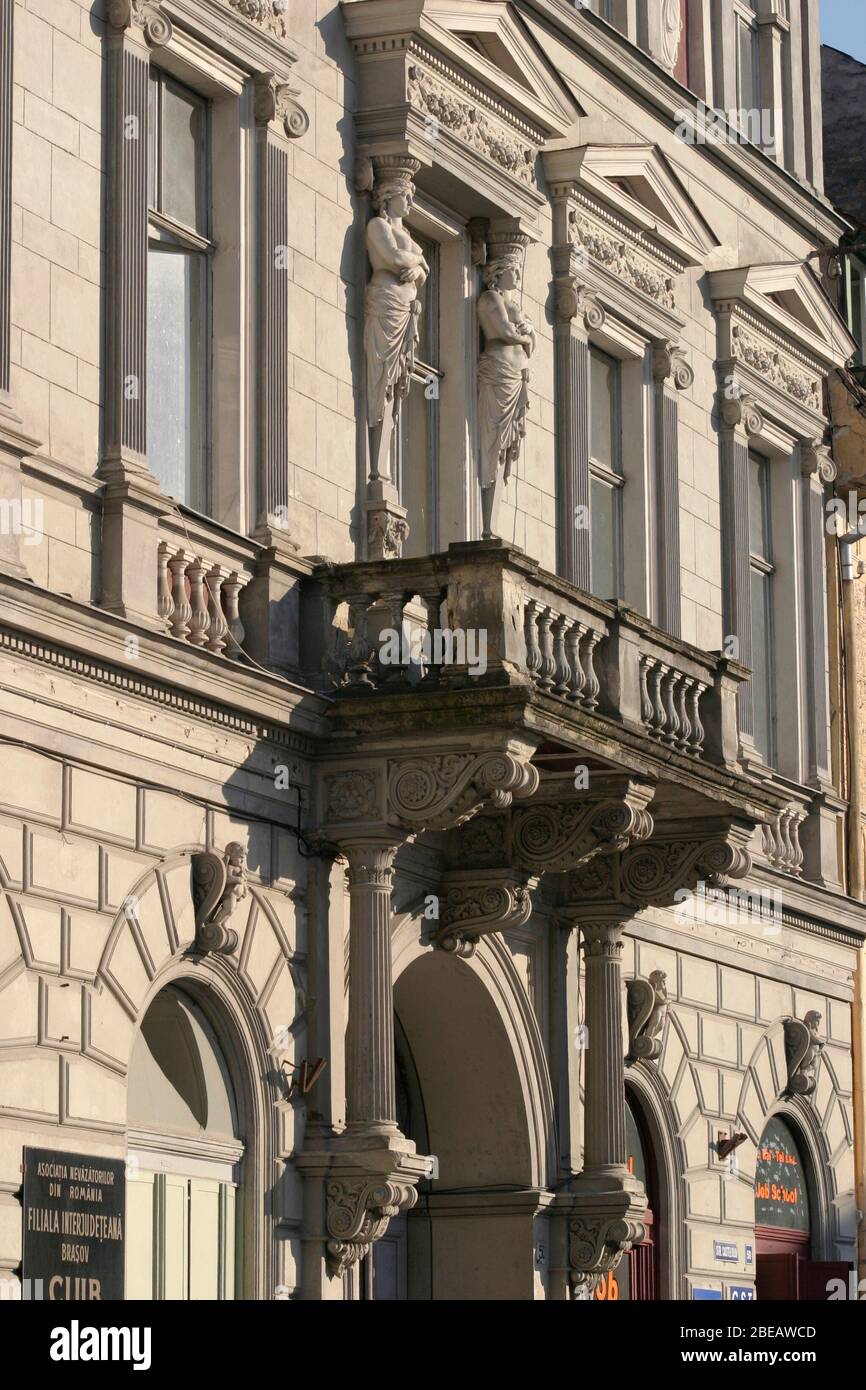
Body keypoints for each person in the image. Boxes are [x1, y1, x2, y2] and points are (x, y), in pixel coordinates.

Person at [477, 254, 535, 537]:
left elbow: (523, 334)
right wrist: (525, 335)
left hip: (515, 379)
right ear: (498, 273)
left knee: (506, 445)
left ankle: (491, 523)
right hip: (499, 373)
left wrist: (528, 333)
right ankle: (486, 523)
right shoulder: (490, 298)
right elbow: (504, 331)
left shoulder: (511, 302)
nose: (519, 275)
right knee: (493, 441)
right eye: (514, 269)